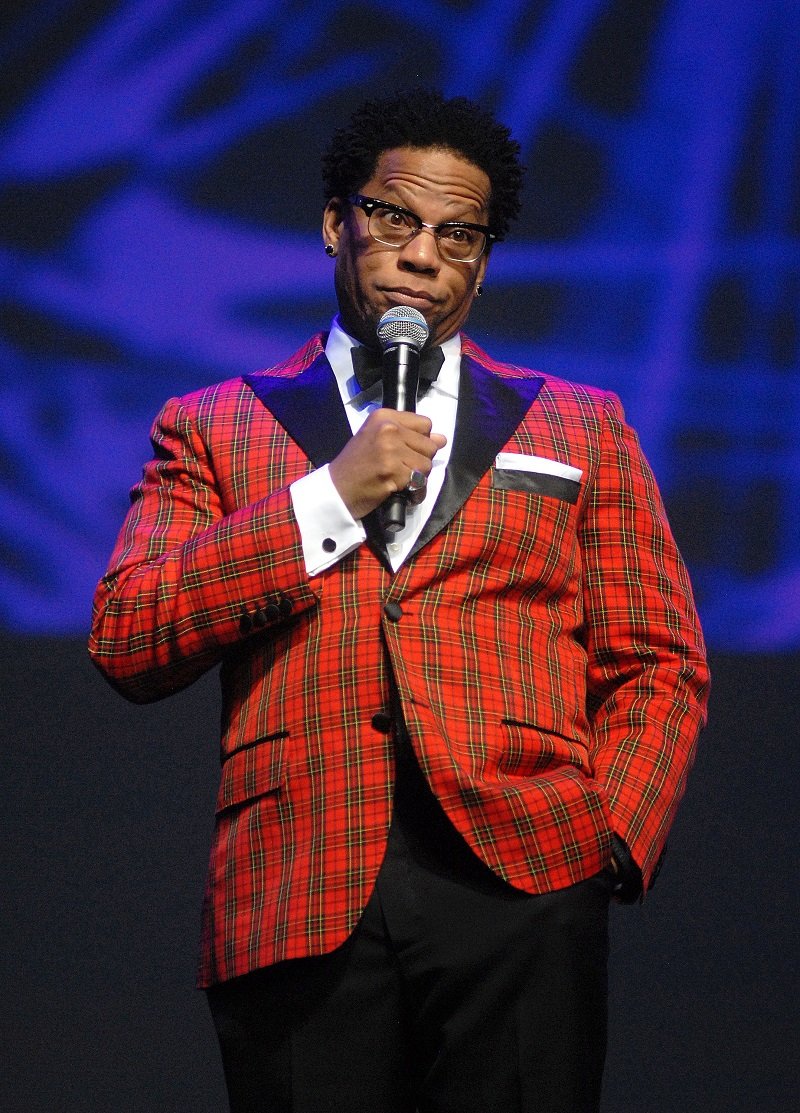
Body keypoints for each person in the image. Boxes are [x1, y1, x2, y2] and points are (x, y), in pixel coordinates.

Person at [89, 89, 709, 1113]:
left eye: (456, 236)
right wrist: (325, 497)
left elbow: (657, 658)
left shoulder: (580, 425)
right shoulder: (213, 426)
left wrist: (604, 844)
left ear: (480, 260)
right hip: (299, 885)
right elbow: (129, 634)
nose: (420, 255)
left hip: (522, 876)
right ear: (336, 223)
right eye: (392, 218)